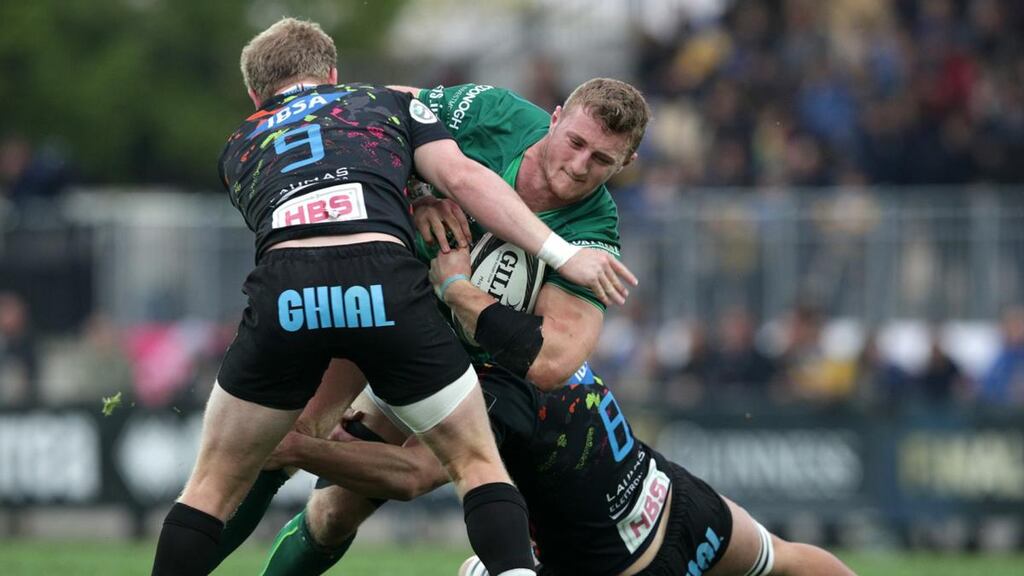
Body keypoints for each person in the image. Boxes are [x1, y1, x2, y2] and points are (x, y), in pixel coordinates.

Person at [151, 18, 637, 576]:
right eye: (575, 143)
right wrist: (419, 192)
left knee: (410, 478)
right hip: (397, 306)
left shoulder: (597, 227)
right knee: (326, 498)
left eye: (601, 162)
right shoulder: (493, 112)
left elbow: (552, 362)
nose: (578, 167)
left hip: (490, 363)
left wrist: (458, 292)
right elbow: (408, 125)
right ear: (554, 119)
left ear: (625, 165)